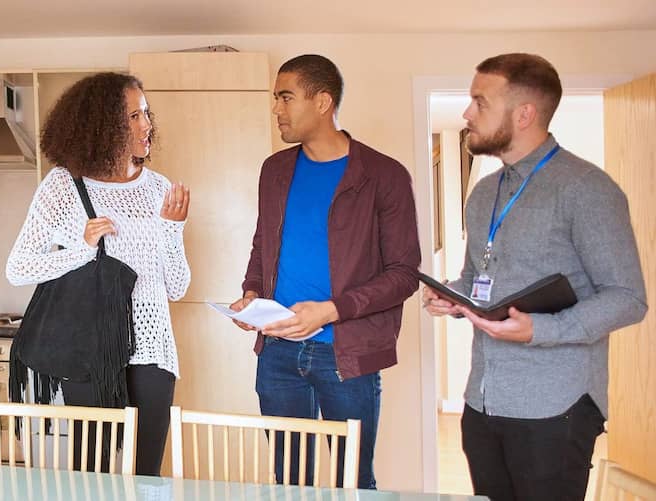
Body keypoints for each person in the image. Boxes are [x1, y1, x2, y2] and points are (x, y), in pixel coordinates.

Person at [422, 53, 647, 501]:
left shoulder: (586, 189)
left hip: (555, 408)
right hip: (482, 400)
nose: (467, 113)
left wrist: (539, 330)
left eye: (479, 102)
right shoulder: (486, 191)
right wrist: (454, 296)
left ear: (524, 114)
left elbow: (627, 298)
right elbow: (475, 274)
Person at [229, 54, 420, 489]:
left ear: (322, 102)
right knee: (290, 481)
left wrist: (331, 311)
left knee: (354, 480)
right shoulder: (274, 170)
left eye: (285, 97)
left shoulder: (384, 176)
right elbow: (264, 244)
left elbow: (404, 273)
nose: (276, 109)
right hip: (277, 350)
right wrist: (253, 293)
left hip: (346, 355)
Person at [5, 72, 191, 476]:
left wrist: (173, 230)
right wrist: (81, 251)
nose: (147, 125)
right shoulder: (61, 186)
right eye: (133, 116)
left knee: (146, 476)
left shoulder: (159, 188)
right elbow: (18, 267)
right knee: (92, 474)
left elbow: (176, 287)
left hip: (153, 351)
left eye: (145, 113)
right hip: (90, 349)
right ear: (102, 124)